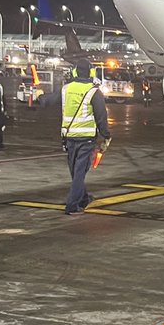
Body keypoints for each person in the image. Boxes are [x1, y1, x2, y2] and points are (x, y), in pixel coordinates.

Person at [60, 59, 110, 215]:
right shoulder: (94, 91)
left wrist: (41, 96)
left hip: (69, 136)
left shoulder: (66, 88)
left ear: (74, 72)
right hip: (86, 138)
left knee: (76, 171)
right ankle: (72, 205)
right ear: (91, 72)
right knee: (80, 172)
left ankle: (83, 199)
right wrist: (106, 135)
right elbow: (101, 116)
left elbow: (53, 102)